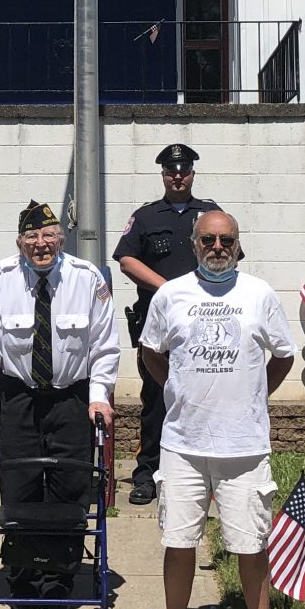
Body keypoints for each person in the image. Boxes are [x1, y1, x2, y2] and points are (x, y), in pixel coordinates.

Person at [139, 209, 295, 609]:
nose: (218, 248)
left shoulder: (259, 294)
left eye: (227, 240)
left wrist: (252, 396)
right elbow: (150, 351)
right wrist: (177, 392)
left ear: (238, 244)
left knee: (251, 544)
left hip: (243, 445)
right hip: (184, 442)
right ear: (194, 243)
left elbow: (284, 356)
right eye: (208, 240)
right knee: (179, 539)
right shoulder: (171, 295)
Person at [0, 201, 118, 604]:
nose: (41, 245)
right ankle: (22, 580)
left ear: (61, 238)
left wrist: (99, 396)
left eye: (49, 235)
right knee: (20, 487)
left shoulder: (87, 279)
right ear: (19, 242)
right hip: (18, 399)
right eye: (32, 237)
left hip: (72, 400)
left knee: (70, 488)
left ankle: (60, 581)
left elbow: (104, 345)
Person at [113, 143, 219, 504]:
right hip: (159, 324)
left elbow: (228, 257)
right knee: (156, 399)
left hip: (205, 324)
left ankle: (203, 475)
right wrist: (171, 289)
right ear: (163, 175)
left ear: (192, 174)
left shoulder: (209, 214)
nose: (178, 176)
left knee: (205, 398)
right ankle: (148, 474)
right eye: (172, 171)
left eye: (184, 170)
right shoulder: (146, 217)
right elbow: (126, 259)